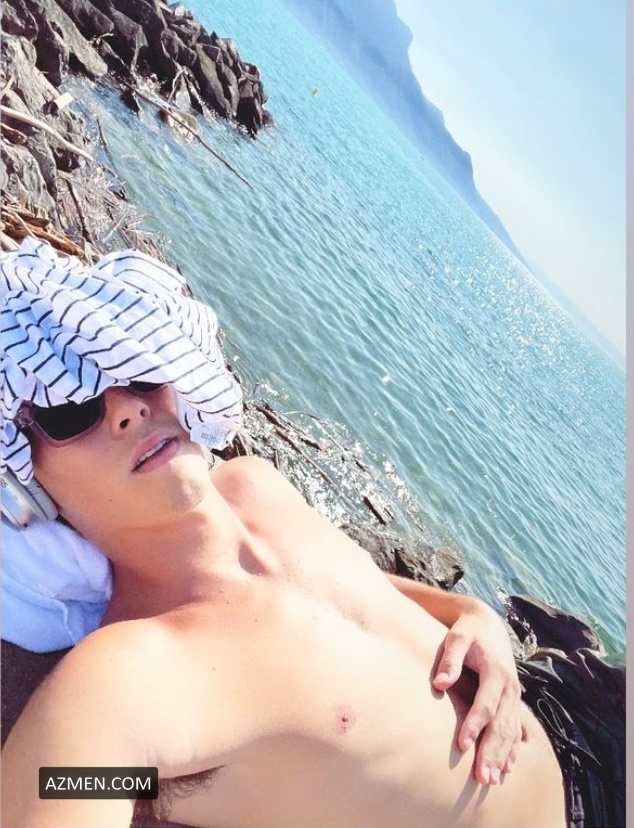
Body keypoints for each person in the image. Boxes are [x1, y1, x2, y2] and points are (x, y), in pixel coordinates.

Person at [0, 242, 623, 828]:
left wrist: (468, 610)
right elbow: (73, 779)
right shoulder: (128, 677)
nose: (128, 407)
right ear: (25, 482)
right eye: (67, 409)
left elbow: (359, 588)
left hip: (570, 711)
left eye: (135, 370)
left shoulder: (254, 483)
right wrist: (137, 788)